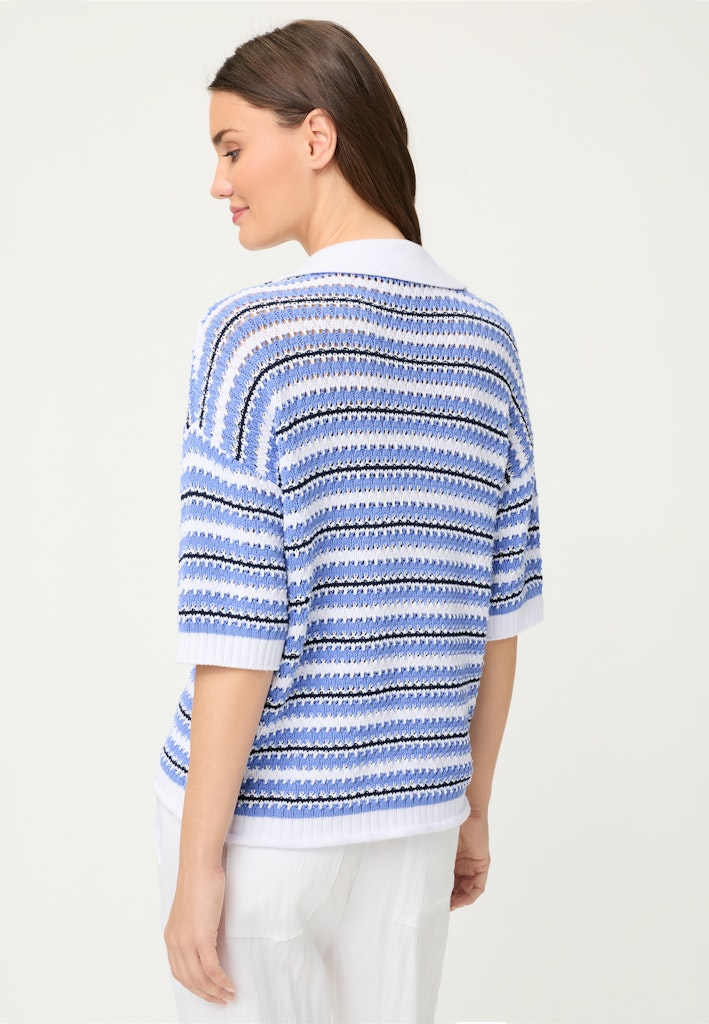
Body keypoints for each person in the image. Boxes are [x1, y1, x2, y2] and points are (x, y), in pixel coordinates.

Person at [153, 19, 544, 1024]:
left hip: (265, 831)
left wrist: (198, 865)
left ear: (317, 137)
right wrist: (472, 808)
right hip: (416, 821)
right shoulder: (487, 341)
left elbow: (237, 628)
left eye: (232, 147)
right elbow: (499, 617)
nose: (218, 181)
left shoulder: (251, 341)